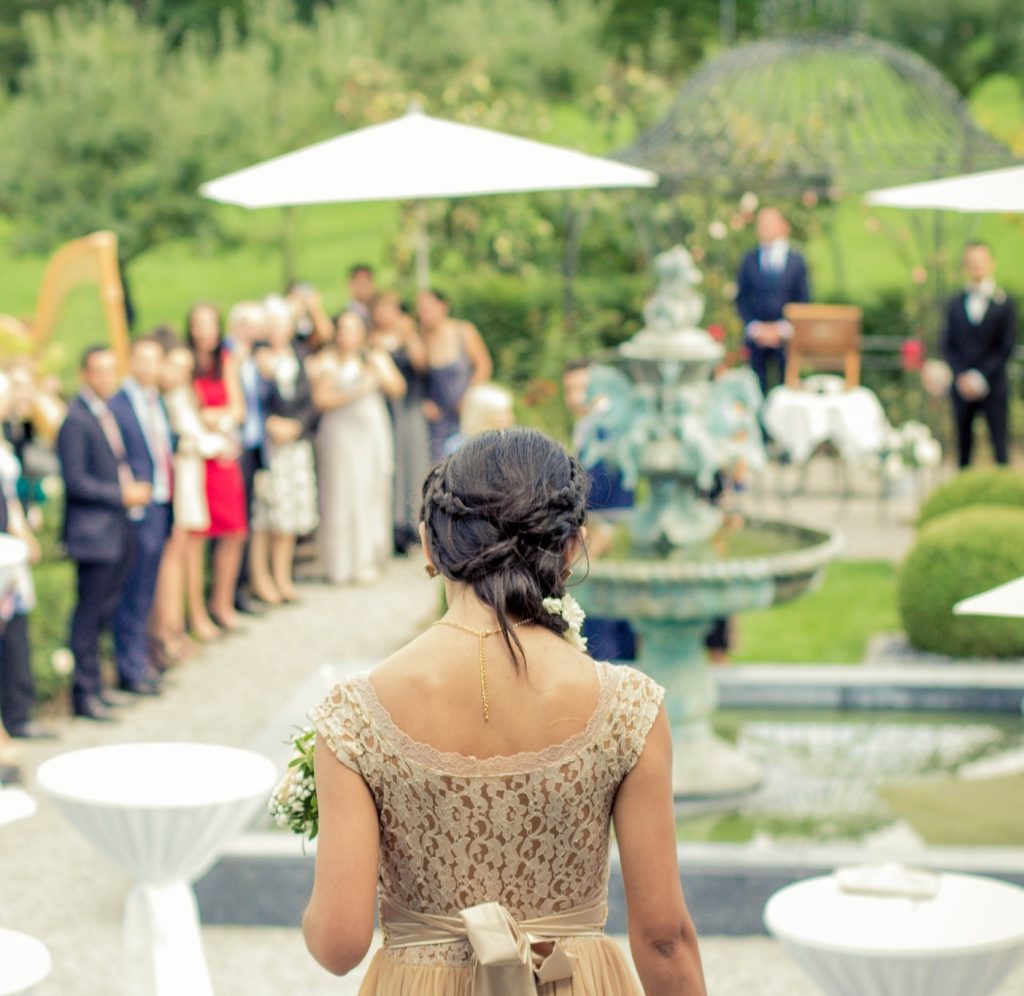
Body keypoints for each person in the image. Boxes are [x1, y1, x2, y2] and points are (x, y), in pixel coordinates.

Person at [303, 427, 706, 994]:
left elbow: (339, 944)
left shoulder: (354, 715)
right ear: (570, 548)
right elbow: (665, 936)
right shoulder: (629, 708)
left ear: (428, 544)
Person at [57, 347, 151, 721]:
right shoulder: (76, 421)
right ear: (85, 373)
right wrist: (121, 495)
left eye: (112, 371)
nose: (107, 378)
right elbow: (76, 482)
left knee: (105, 610)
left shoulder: (107, 412)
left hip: (117, 527)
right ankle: (85, 693)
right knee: (89, 612)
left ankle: (98, 685)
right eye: (99, 371)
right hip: (93, 532)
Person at [311, 312, 405, 585]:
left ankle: (368, 557)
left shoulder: (373, 357)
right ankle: (341, 563)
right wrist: (355, 390)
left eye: (353, 329)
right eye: (343, 329)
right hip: (342, 434)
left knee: (370, 490)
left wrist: (377, 371)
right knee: (342, 492)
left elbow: (398, 388)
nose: (347, 335)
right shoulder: (327, 362)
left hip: (371, 432)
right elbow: (322, 400)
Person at [108, 337, 175, 695]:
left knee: (147, 588)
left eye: (154, 360)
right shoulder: (118, 405)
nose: (148, 366)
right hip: (139, 508)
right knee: (133, 589)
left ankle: (144, 658)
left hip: (161, 502)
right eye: (142, 359)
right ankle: (130, 668)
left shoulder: (155, 400)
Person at [562, 359, 636, 662]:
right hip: (590, 540)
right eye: (569, 389)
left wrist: (604, 530)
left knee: (605, 628)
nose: (576, 396)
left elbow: (617, 489)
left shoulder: (607, 432)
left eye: (583, 387)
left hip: (606, 539)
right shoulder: (587, 428)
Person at [250, 296, 319, 603]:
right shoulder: (257, 359)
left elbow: (309, 401)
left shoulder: (299, 355)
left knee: (291, 513)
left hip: (296, 443)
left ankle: (282, 576)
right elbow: (254, 403)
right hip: (270, 448)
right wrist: (271, 423)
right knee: (268, 514)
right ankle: (261, 578)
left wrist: (296, 426)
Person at [187, 303, 247, 636]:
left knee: (235, 530)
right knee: (198, 536)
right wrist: (216, 417)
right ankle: (197, 613)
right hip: (200, 459)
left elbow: (237, 409)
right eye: (199, 323)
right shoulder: (188, 365)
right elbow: (193, 412)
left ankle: (221, 603)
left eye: (210, 323)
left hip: (223, 455)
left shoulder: (225, 360)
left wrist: (215, 417)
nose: (205, 330)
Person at [0, 372, 51, 740]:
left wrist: (22, 529)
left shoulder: (12, 432)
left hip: (9, 544)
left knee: (15, 627)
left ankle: (18, 711)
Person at [941, 241, 1018, 468]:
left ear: (991, 264)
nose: (976, 267)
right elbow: (947, 344)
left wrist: (981, 376)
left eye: (980, 262)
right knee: (963, 449)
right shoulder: (955, 302)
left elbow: (1006, 346)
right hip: (962, 385)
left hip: (993, 384)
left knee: (1000, 448)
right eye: (971, 262)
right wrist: (962, 376)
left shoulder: (1005, 302)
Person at [368, 291, 431, 553]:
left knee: (413, 463)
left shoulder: (409, 336)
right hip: (386, 410)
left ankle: (412, 523)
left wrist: (409, 335)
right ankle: (390, 524)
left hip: (409, 407)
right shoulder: (372, 339)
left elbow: (421, 363)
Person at [226, 300, 272, 612]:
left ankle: (246, 585)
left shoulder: (255, 357)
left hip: (256, 445)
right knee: (237, 522)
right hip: (237, 447)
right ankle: (234, 593)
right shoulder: (230, 356)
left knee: (250, 518)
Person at [735, 207, 811, 397]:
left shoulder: (796, 260)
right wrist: (755, 327)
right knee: (755, 387)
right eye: (761, 224)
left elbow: (803, 299)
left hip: (785, 337)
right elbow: (742, 298)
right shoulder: (749, 259)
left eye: (769, 224)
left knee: (787, 388)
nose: (764, 228)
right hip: (756, 337)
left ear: (783, 227)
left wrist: (782, 329)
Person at [418, 288, 493, 460]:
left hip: (465, 410)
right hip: (438, 417)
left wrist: (469, 396)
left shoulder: (463, 331)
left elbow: (483, 365)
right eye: (421, 310)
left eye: (428, 308)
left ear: (443, 306)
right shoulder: (421, 338)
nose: (424, 314)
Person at [346, 264, 376, 328]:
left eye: (366, 282)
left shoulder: (379, 314)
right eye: (360, 283)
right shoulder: (345, 316)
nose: (364, 288)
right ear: (351, 285)